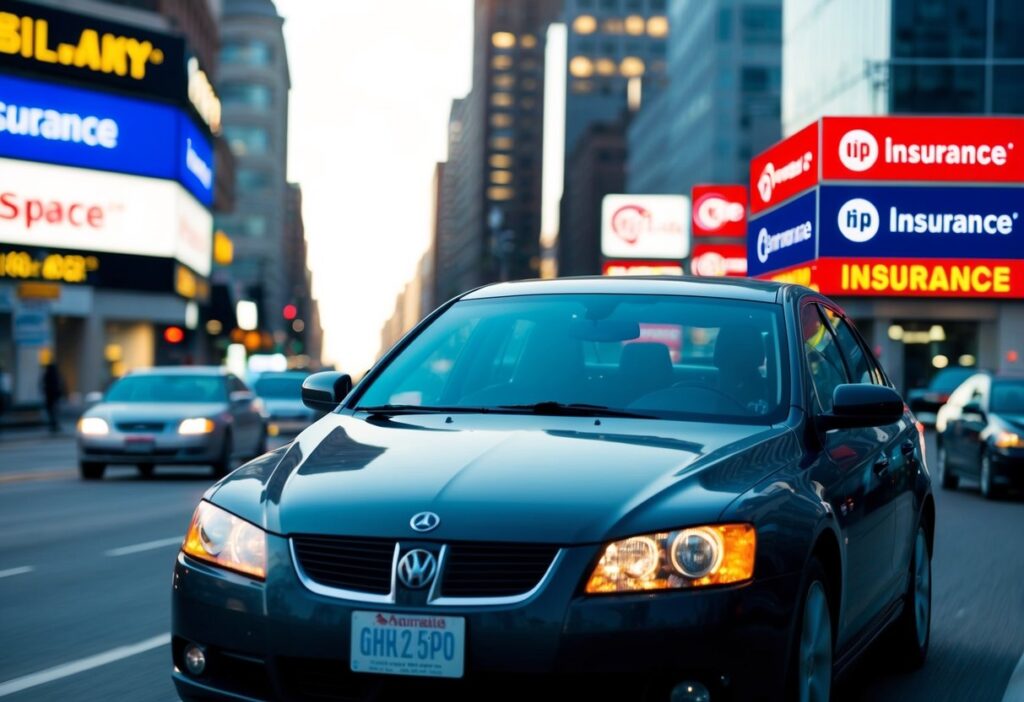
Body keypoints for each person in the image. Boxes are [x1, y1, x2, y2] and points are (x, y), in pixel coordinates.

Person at [41, 362, 64, 433]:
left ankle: (53, 424)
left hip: (50, 397)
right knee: (55, 411)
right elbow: (61, 385)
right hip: (54, 397)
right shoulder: (56, 375)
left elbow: (43, 385)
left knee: (51, 411)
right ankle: (54, 425)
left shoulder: (47, 375)